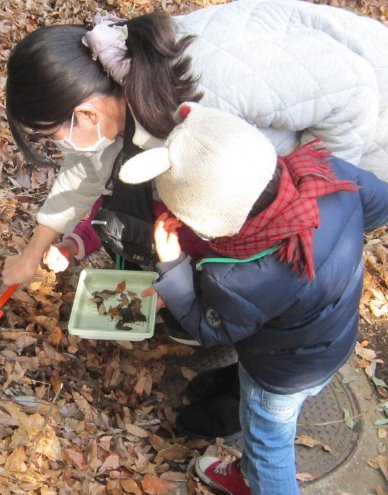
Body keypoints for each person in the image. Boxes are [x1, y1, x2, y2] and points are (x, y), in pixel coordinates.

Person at [1, 0, 388, 437]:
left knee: (280, 301)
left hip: (368, 126)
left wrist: (311, 203)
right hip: (267, 188)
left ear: (86, 113)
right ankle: (239, 364)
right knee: (254, 295)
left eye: (54, 135)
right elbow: (84, 171)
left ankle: (247, 400)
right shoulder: (116, 85)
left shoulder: (213, 82)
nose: (61, 146)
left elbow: (352, 93)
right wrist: (33, 253)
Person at [120, 101, 388, 495]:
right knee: (261, 419)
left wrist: (173, 266)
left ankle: (258, 481)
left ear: (211, 224)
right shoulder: (324, 172)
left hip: (281, 372)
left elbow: (206, 327)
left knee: (268, 446)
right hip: (333, 337)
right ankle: (248, 474)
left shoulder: (236, 276)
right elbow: (378, 205)